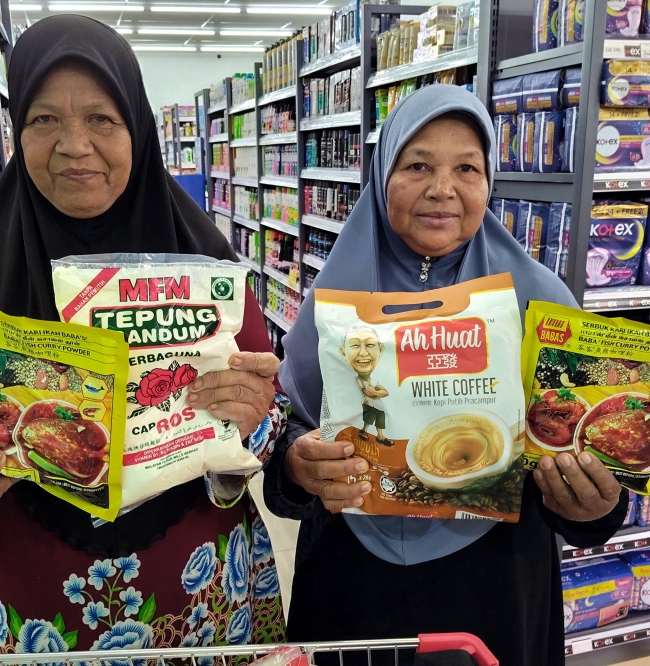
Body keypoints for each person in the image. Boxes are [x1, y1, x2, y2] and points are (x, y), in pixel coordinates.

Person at [0, 15, 288, 658]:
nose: (74, 145)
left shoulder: (207, 264)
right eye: (44, 120)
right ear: (16, 131)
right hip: (40, 614)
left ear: (139, 127)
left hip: (207, 599)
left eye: (102, 119)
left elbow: (268, 411)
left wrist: (251, 417)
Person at [263, 85, 628, 666]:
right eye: (417, 165)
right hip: (352, 582)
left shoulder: (542, 304)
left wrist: (594, 505)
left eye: (467, 167)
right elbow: (284, 440)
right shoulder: (333, 302)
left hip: (494, 585)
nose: (442, 188)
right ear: (383, 176)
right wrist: (295, 466)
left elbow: (586, 470)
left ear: (489, 181)